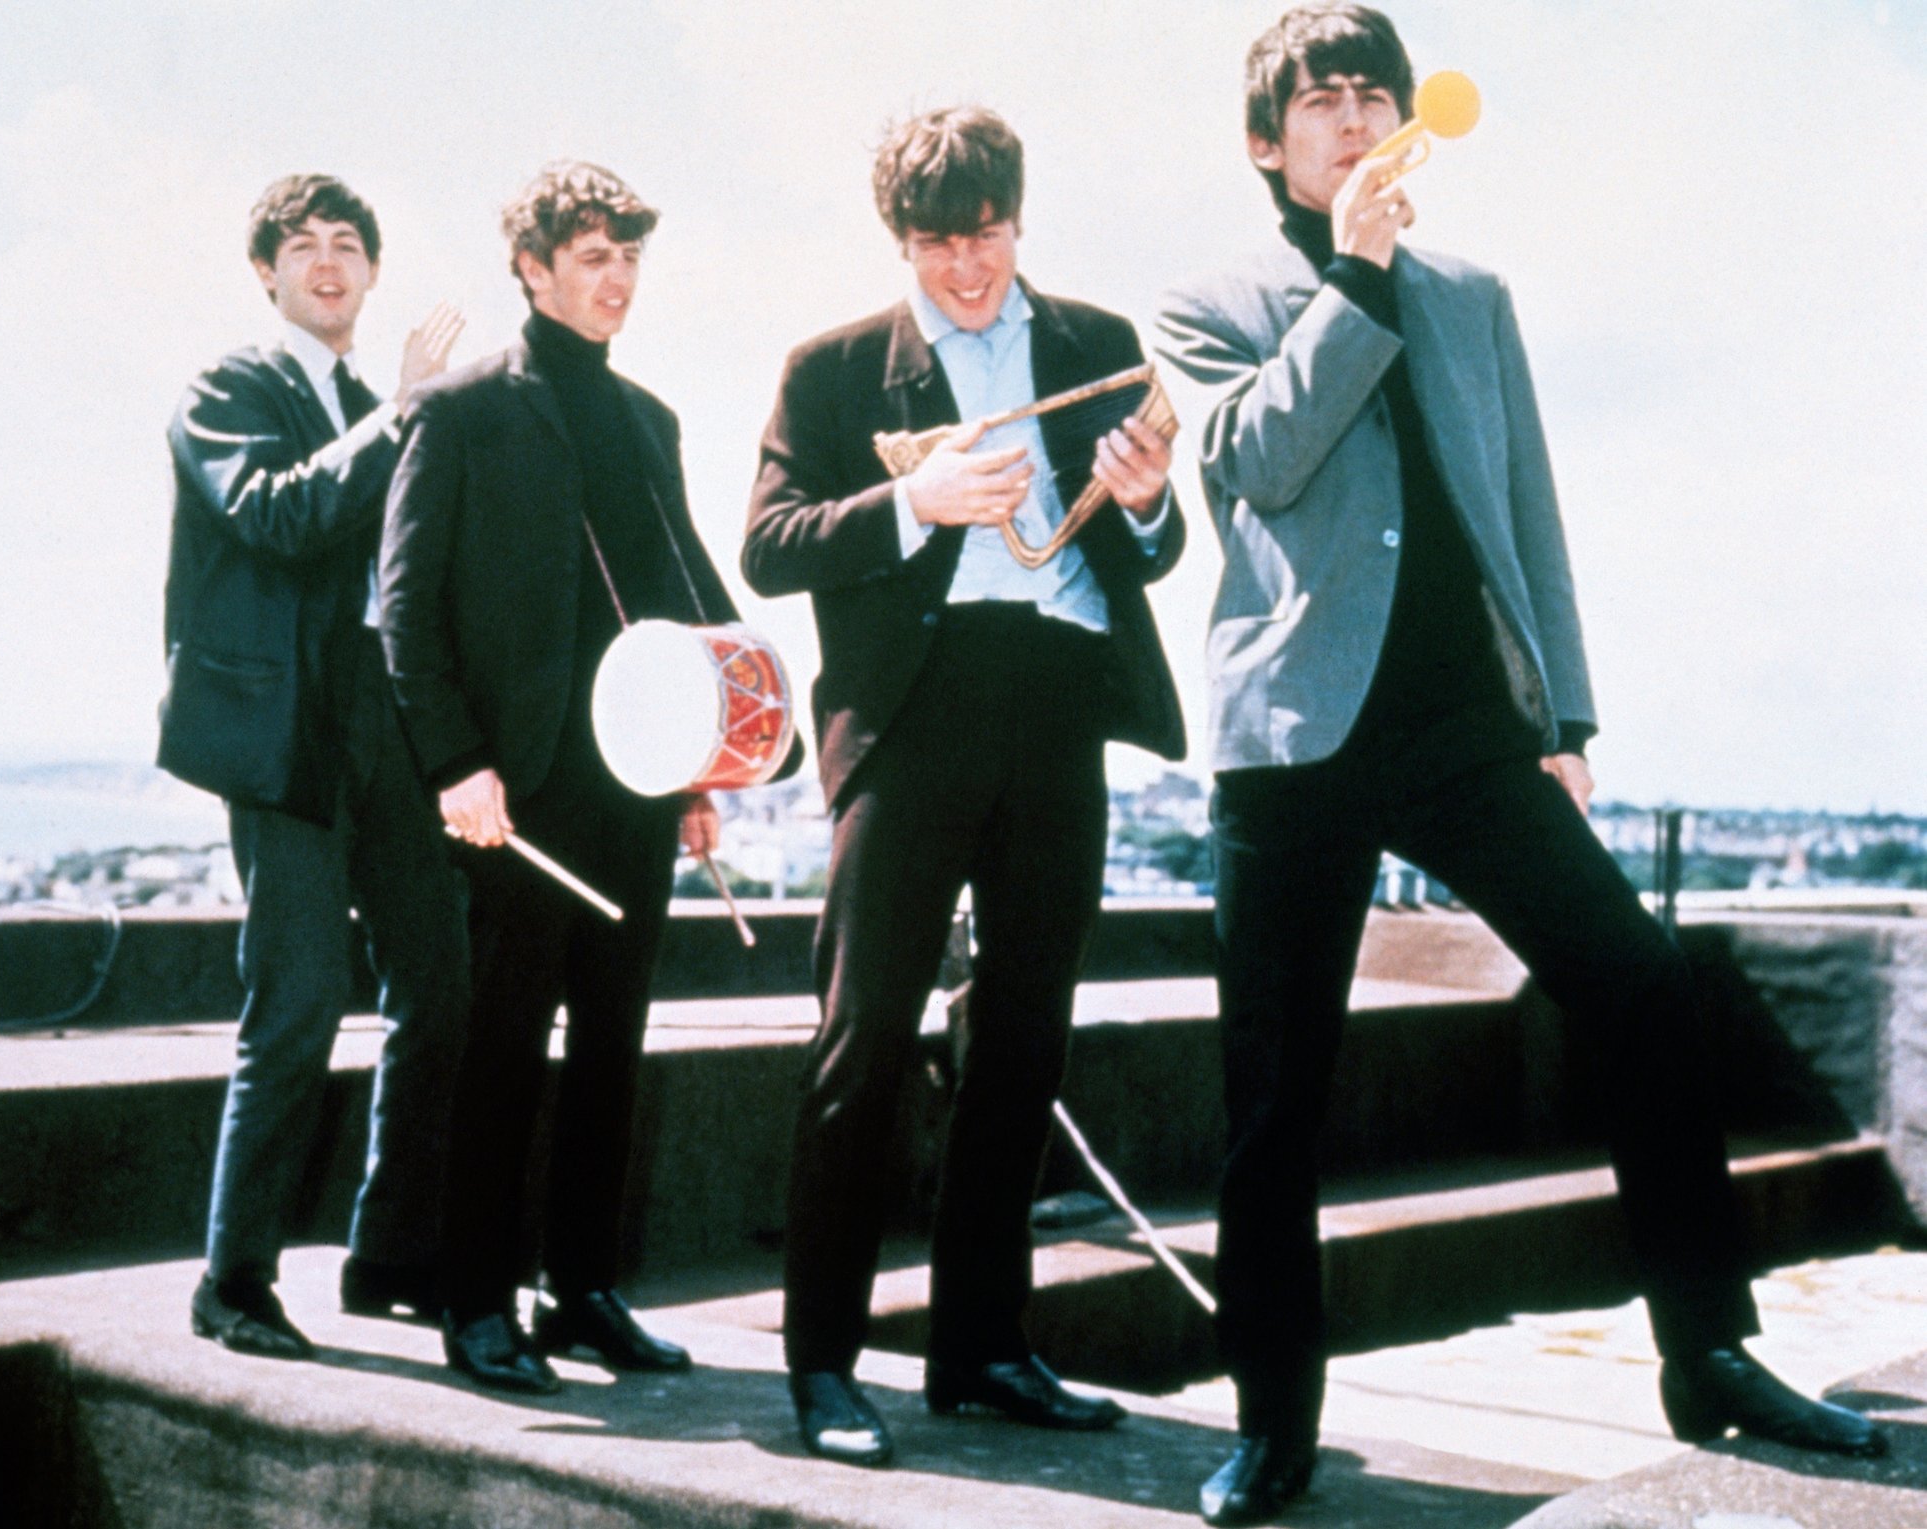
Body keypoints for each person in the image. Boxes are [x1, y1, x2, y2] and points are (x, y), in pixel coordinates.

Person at [1153, 7, 1888, 1521]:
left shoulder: (1476, 296)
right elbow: (1254, 460)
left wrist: (1563, 720)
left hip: (1466, 730)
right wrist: (1351, 271)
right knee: (1275, 1095)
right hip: (1293, 739)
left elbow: (1527, 509)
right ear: (1265, 142)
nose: (1356, 122)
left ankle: (1712, 1354)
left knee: (1641, 981)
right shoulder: (1208, 298)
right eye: (1324, 101)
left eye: (1376, 96)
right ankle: (1272, 1421)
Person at [743, 105, 1186, 1467]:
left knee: (1024, 1037)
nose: (966, 269)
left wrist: (1154, 496)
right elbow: (766, 547)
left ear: (1019, 218)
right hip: (909, 719)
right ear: (899, 241)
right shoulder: (829, 372)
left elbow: (1153, 553)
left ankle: (983, 1347)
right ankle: (823, 1365)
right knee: (863, 1033)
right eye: (935, 245)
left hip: (1059, 700)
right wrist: (911, 504)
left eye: (985, 236)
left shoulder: (1102, 348)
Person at [381, 161, 767, 1395]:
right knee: (502, 1044)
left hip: (636, 786)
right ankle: (477, 1299)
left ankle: (584, 1289)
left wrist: (707, 765)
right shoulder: (460, 409)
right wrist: (456, 763)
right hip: (519, 792)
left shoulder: (649, 419)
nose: (617, 281)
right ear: (533, 270)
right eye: (592, 258)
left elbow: (680, 592)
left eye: (628, 258)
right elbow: (402, 610)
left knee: (614, 1042)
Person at [159, 173, 469, 1358]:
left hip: (388, 736)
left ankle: (389, 1255)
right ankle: (232, 1282)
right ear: (268, 273)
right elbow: (278, 517)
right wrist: (399, 416)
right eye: (305, 247)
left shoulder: (398, 406)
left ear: (374, 272)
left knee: (441, 985)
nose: (330, 263)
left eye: (350, 245)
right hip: (286, 743)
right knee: (292, 1006)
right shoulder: (229, 388)